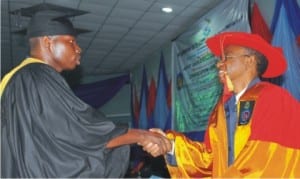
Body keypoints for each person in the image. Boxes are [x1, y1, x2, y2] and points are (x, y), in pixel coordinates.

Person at [0, 10, 170, 178]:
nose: (78, 49)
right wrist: (142, 135)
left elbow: (49, 145)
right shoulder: (38, 77)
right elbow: (80, 133)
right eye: (71, 41)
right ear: (48, 42)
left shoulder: (17, 79)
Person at [146, 32, 300, 178]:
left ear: (250, 61)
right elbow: (210, 161)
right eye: (220, 59)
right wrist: (171, 145)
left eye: (227, 57)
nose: (219, 64)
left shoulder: (275, 99)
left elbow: (264, 162)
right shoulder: (221, 109)